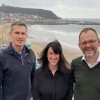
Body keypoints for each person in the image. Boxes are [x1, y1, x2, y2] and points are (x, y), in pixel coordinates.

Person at [0, 21, 36, 100]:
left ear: (26, 36)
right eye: (17, 33)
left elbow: (33, 77)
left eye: (23, 33)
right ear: (10, 35)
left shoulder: (31, 54)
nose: (20, 36)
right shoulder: (2, 56)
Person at [71, 27, 100, 100]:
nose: (88, 45)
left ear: (98, 42)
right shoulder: (75, 64)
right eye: (84, 42)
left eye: (91, 41)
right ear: (79, 46)